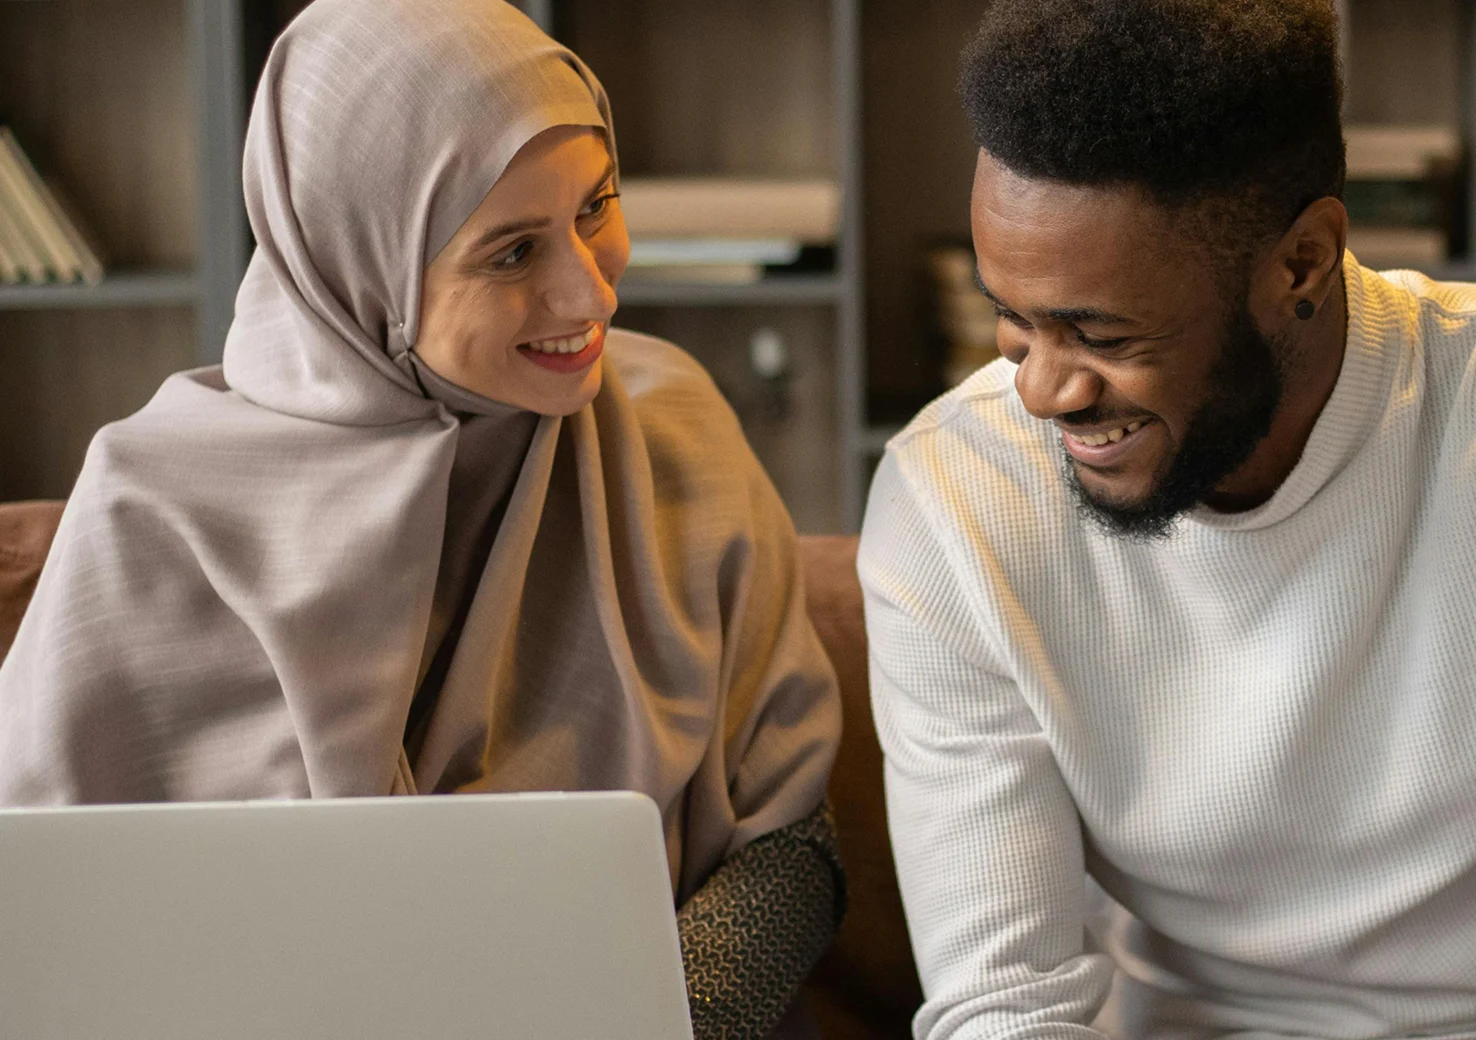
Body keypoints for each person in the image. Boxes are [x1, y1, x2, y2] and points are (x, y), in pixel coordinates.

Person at [0, 2, 843, 1037]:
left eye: (596, 207)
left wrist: (683, 1014)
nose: (590, 291)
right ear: (362, 266)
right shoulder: (149, 508)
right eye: (510, 253)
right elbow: (58, 924)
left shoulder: (673, 434)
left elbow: (793, 839)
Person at [859, 0, 1476, 1037]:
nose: (1045, 390)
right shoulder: (958, 495)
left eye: (1100, 331)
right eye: (1013, 318)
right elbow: (1003, 1000)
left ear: (1301, 263)